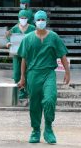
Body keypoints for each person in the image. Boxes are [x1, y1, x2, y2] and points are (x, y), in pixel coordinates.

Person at [17, 10, 70, 144]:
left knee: (49, 100)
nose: (41, 22)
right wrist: (22, 77)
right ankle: (35, 130)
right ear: (34, 22)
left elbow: (63, 55)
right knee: (34, 104)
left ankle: (48, 128)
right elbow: (23, 59)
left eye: (43, 19)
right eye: (38, 20)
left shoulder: (53, 37)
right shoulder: (28, 38)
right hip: (33, 74)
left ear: (46, 21)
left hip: (48, 73)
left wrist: (67, 72)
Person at [6, 10, 35, 101]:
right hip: (17, 54)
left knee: (28, 73)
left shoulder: (32, 28)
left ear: (28, 18)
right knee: (16, 74)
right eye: (21, 18)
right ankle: (19, 92)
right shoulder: (14, 28)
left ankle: (27, 92)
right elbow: (8, 37)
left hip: (28, 55)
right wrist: (8, 43)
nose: (23, 19)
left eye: (25, 18)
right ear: (18, 18)